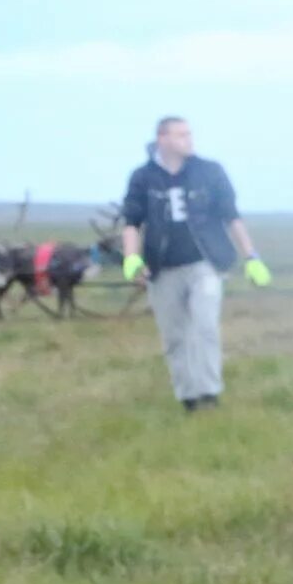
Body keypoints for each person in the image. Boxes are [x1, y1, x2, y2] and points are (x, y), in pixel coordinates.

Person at [117, 116, 270, 411]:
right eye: (181, 135)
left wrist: (252, 256)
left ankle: (209, 395)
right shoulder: (142, 177)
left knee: (205, 327)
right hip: (162, 268)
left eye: (189, 134)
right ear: (162, 139)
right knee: (175, 336)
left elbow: (231, 215)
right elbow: (132, 221)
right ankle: (188, 397)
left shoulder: (210, 172)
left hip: (205, 263)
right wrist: (131, 257)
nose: (189, 139)